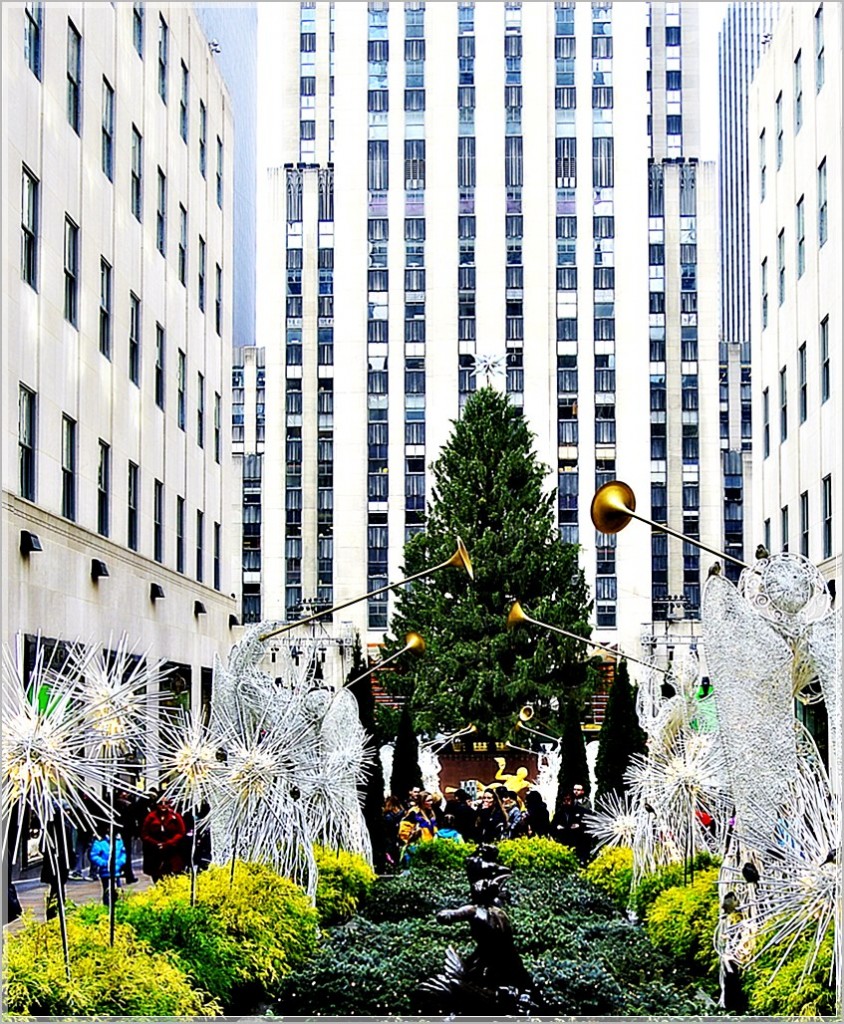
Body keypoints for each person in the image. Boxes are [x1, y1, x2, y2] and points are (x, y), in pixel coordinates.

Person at [140, 797, 187, 882]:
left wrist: (169, 843)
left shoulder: (175, 816)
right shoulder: (151, 816)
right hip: (155, 850)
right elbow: (144, 834)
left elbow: (181, 832)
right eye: (161, 803)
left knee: (173, 873)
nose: (163, 806)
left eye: (166, 803)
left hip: (172, 849)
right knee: (157, 875)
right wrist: (156, 843)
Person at [88, 827, 126, 907]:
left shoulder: (119, 840)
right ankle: (107, 906)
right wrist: (104, 863)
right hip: (105, 872)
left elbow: (123, 853)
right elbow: (94, 855)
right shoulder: (99, 842)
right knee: (107, 891)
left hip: (117, 871)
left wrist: (120, 862)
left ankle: (119, 905)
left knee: (118, 890)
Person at [114, 789, 140, 883]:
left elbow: (133, 819)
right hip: (121, 832)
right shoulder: (117, 805)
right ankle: (125, 874)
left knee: (126, 854)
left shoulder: (129, 805)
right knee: (121, 854)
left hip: (125, 832)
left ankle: (127, 874)